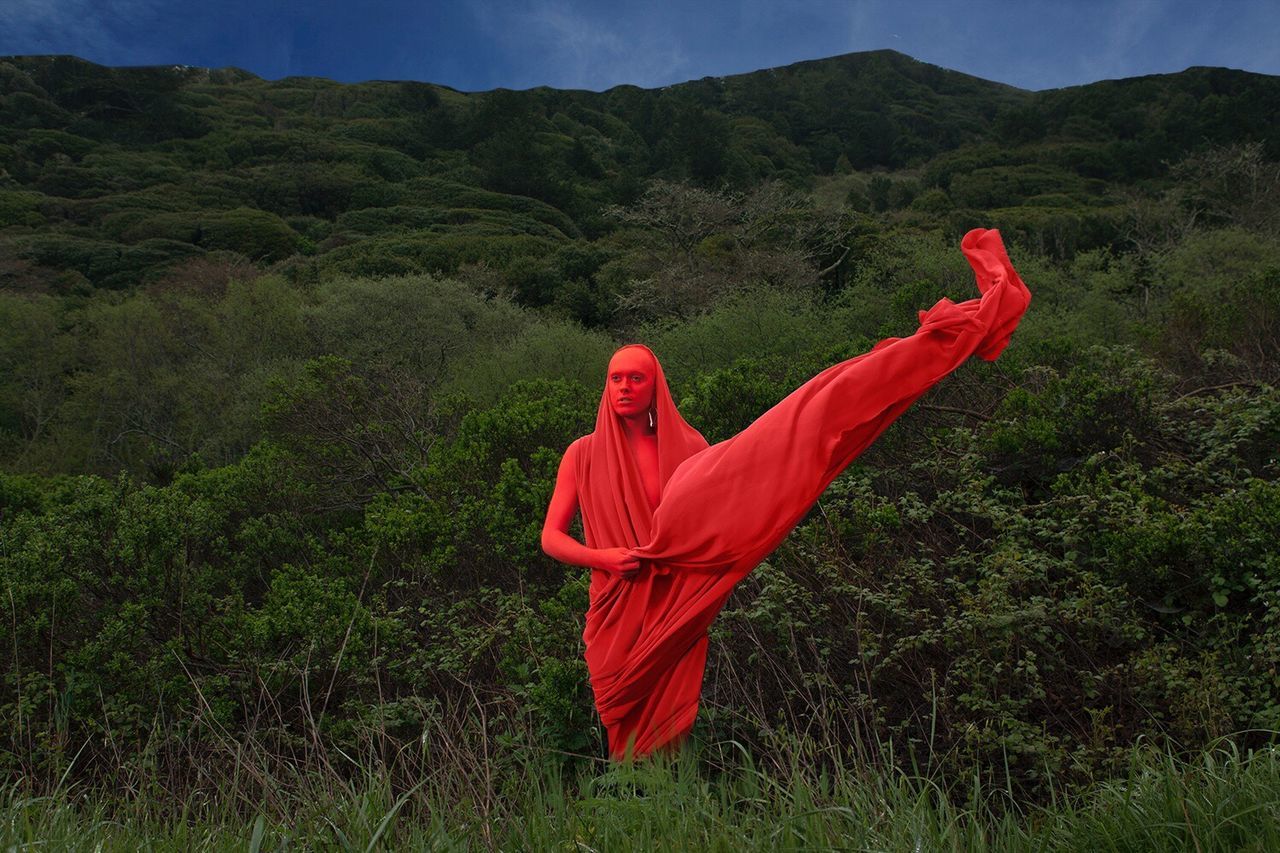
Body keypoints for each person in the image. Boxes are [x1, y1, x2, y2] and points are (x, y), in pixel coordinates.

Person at [541, 228, 1032, 761]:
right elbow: (550, 537)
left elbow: (716, 514)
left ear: (655, 386)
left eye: (636, 378)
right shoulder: (582, 453)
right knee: (620, 713)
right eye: (615, 379)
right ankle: (637, 807)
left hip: (681, 583)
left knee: (812, 417)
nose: (624, 389)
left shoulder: (689, 447)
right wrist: (603, 558)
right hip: (615, 602)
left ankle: (950, 336)